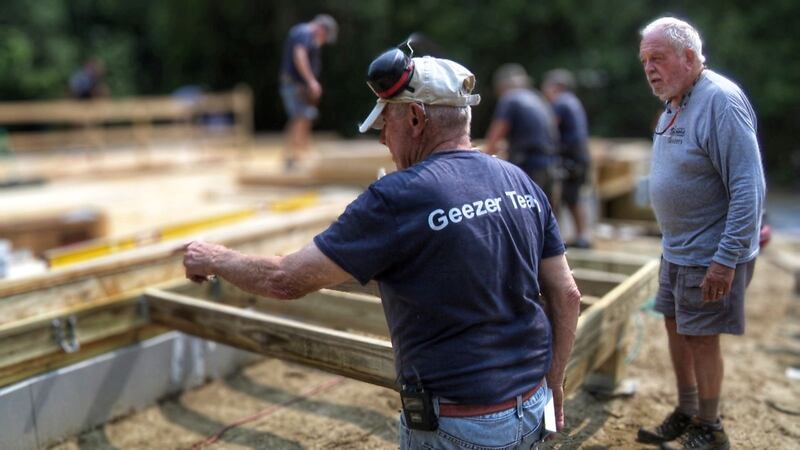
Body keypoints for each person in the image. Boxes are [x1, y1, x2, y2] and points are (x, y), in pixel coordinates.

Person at [183, 49, 581, 449]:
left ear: (415, 118)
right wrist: (554, 382)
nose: (381, 137)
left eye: (385, 121)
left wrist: (213, 258)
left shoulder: (398, 197)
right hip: (533, 409)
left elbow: (285, 279)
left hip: (460, 428)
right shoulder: (520, 182)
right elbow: (566, 294)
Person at [636, 17, 765, 450]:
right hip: (676, 249)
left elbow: (749, 185)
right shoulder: (675, 101)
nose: (649, 68)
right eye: (644, 60)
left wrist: (726, 259)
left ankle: (710, 427)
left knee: (701, 338)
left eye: (658, 58)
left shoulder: (720, 101)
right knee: (676, 327)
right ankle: (688, 409)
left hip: (710, 252)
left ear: (689, 57)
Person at [485, 63, 561, 209]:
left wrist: (481, 161)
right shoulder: (538, 98)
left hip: (528, 167)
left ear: (502, 87)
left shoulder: (510, 99)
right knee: (544, 216)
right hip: (550, 165)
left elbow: (495, 137)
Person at [278, 14, 338, 169]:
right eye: (325, 36)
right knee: (300, 117)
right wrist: (311, 81)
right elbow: (299, 55)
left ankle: (295, 156)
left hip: (297, 85)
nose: (324, 41)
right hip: (295, 85)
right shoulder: (304, 33)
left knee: (303, 118)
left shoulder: (303, 33)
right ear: (321, 29)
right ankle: (292, 158)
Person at [543, 69, 592, 249]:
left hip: (570, 158)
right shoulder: (573, 102)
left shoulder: (560, 103)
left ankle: (577, 237)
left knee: (568, 197)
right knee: (574, 197)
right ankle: (582, 235)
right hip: (580, 156)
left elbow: (550, 128)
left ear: (557, 87)